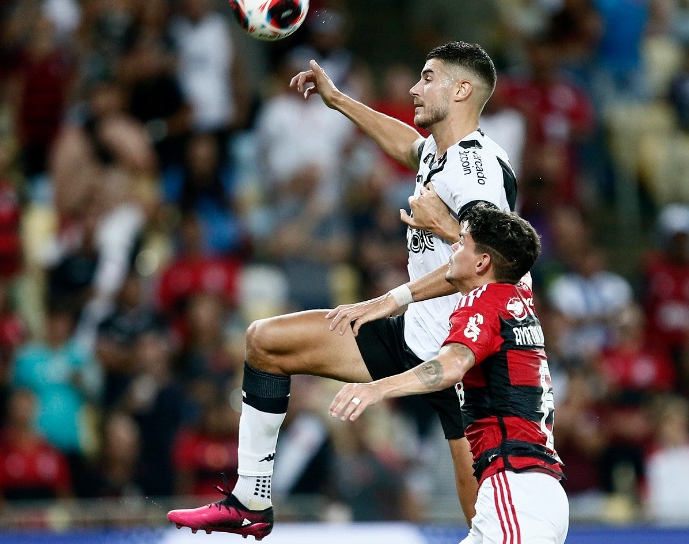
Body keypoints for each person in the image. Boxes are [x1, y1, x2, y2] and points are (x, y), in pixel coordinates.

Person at [167, 41, 517, 540]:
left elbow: (496, 259)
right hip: (413, 336)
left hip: (465, 358)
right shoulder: (440, 153)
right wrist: (339, 101)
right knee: (265, 342)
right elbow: (405, 146)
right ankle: (251, 503)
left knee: (485, 525)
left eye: (427, 78)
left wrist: (442, 233)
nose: (415, 88)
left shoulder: (475, 166)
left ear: (461, 90)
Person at [329, 204, 568, 544]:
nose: (453, 249)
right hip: (528, 490)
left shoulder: (483, 302)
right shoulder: (518, 298)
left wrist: (377, 389)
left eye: (462, 243)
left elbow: (451, 365)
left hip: (514, 488)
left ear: (483, 262)